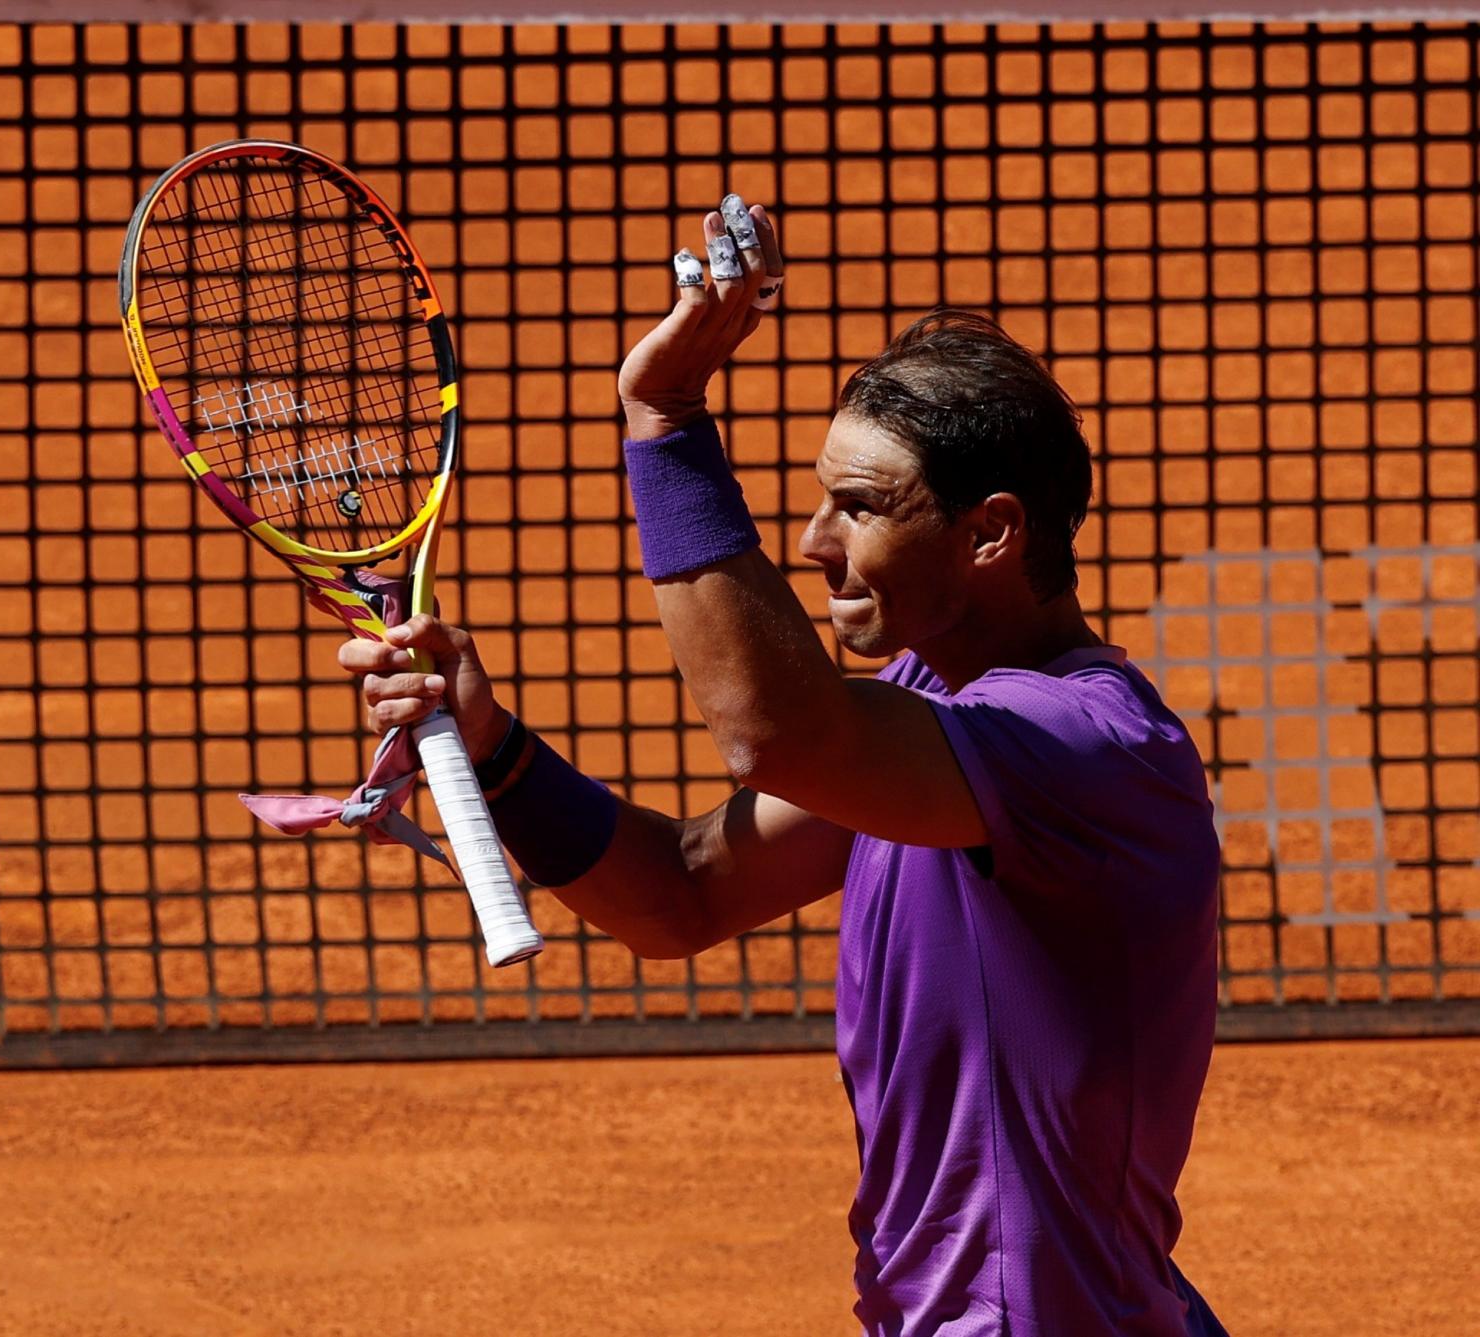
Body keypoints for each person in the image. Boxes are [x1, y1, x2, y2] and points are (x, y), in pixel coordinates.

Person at [339, 198, 1229, 1336]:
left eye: (858, 508)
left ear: (989, 533)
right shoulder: (926, 713)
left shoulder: (1086, 751)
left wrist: (666, 421)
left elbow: (777, 731)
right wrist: (494, 746)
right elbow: (680, 892)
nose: (813, 541)